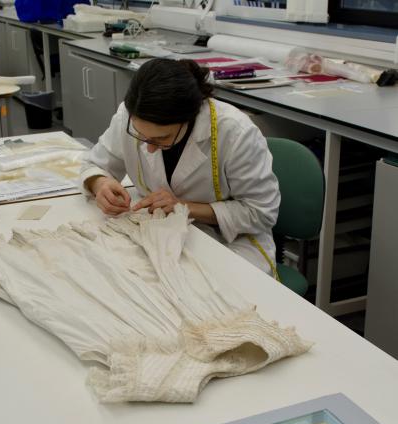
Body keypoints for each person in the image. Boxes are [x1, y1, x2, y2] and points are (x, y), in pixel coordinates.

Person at [79, 58, 281, 276]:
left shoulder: (234, 133)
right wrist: (101, 185)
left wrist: (184, 207)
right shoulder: (130, 116)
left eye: (161, 138)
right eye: (141, 136)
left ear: (189, 118)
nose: (150, 149)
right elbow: (94, 164)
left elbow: (262, 212)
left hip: (229, 243)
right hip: (157, 231)